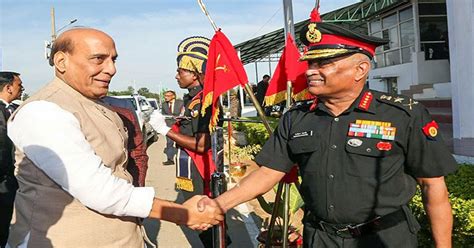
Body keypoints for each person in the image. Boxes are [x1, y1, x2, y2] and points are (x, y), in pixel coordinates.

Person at [198, 7, 457, 248]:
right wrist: (218, 204)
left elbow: (433, 187)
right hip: (320, 238)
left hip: (384, 239)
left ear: (361, 69)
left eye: (324, 64)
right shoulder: (297, 118)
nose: (311, 71)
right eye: (310, 63)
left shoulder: (403, 115)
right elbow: (268, 173)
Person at [6, 28, 222, 248]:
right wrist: (181, 213)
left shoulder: (95, 103)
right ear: (61, 61)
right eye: (98, 59)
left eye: (113, 60)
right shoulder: (44, 111)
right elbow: (99, 190)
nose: (111, 69)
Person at [149, 36, 224, 247]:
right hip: (193, 166)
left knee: (204, 219)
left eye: (180, 71)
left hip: (201, 169)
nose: (176, 76)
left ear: (193, 73)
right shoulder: (193, 99)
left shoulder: (203, 101)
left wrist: (165, 130)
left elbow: (201, 145)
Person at [0, 71, 23, 248]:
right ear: (8, 87)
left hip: (15, 180)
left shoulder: (16, 110)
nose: (21, 89)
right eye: (18, 85)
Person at [109, 105, 149, 187]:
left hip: (120, 189)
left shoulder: (124, 115)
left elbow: (138, 156)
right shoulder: (77, 115)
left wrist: (136, 188)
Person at [161, 90, 184, 165]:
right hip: (168, 127)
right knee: (169, 143)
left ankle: (181, 158)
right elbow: (163, 115)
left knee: (180, 142)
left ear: (173, 96)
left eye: (167, 96)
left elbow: (183, 113)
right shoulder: (164, 105)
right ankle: (170, 159)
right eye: (165, 96)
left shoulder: (180, 103)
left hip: (178, 126)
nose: (165, 97)